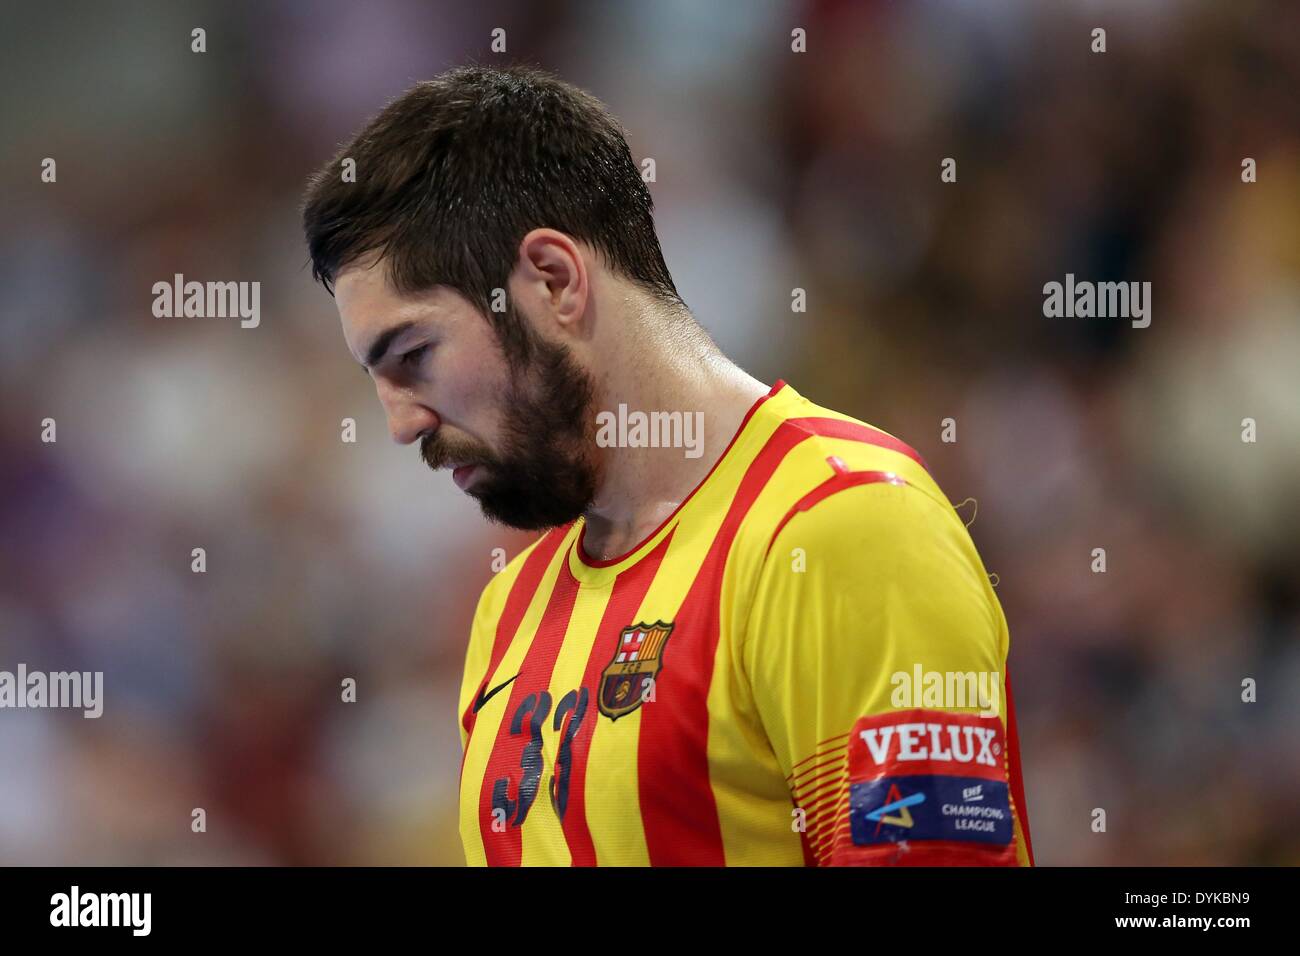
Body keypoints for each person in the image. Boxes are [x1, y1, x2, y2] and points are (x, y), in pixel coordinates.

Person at [301, 65, 1032, 866]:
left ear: (552, 281)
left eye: (413, 354)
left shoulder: (842, 528)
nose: (401, 423)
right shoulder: (512, 609)